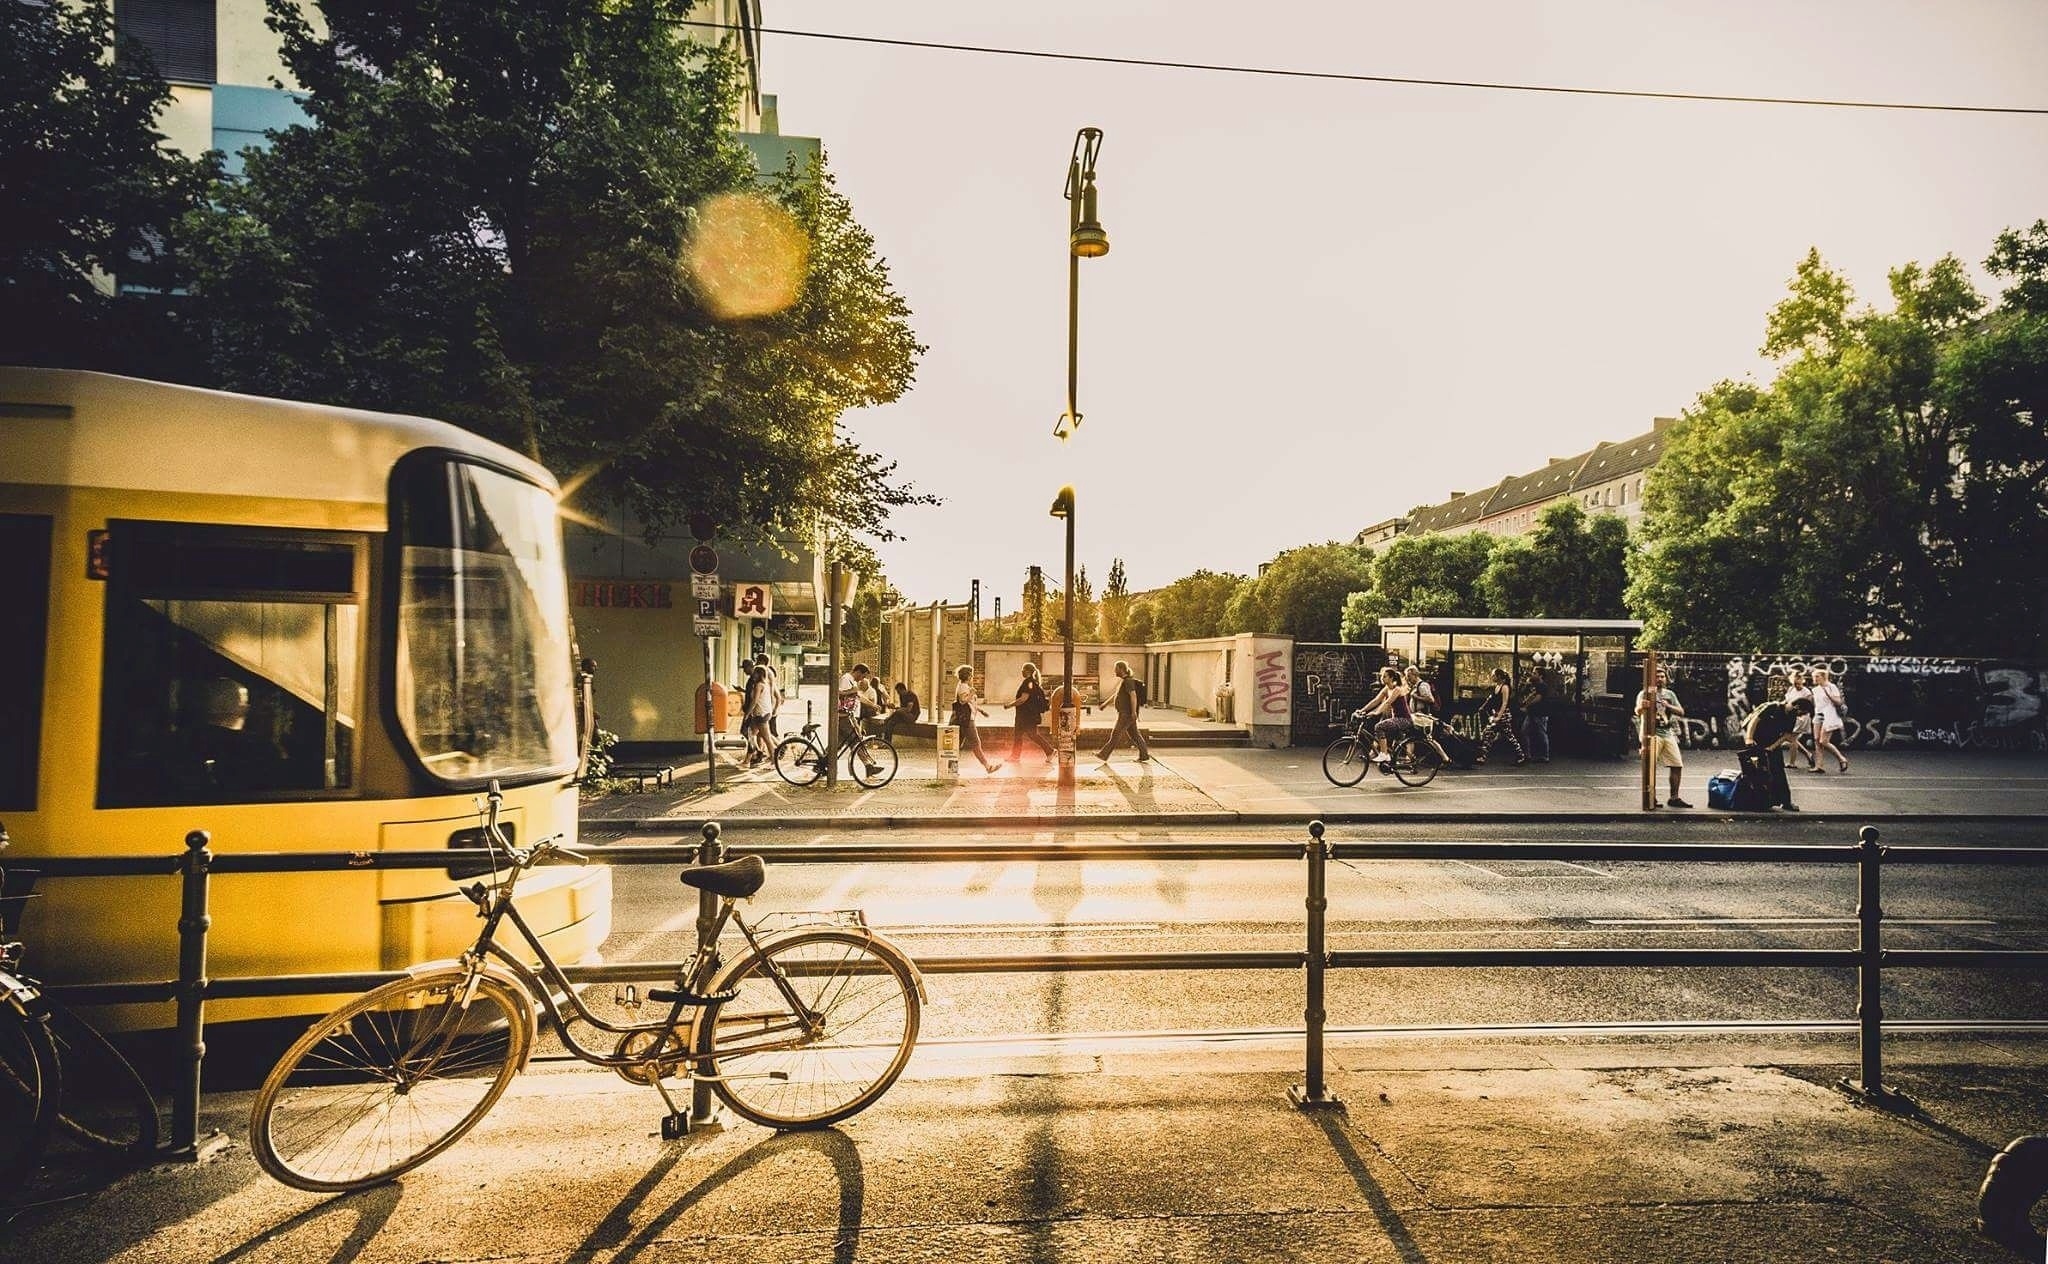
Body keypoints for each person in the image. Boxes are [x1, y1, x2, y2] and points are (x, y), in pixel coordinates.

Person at [1741, 694, 1812, 811]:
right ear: (1797, 707)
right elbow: (1754, 721)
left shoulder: (1792, 716)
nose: (1801, 716)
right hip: (1756, 739)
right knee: (1756, 770)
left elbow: (1786, 735)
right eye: (1802, 712)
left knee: (1778, 770)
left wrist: (1772, 747)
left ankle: (1785, 802)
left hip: (1772, 741)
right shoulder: (1773, 707)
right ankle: (1758, 801)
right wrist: (1749, 738)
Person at [1636, 666, 1691, 808]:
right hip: (1651, 733)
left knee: (1677, 764)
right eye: (1657, 677)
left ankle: (1674, 797)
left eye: (1662, 677)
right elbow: (1637, 711)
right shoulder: (1645, 693)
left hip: (1667, 733)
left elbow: (1681, 711)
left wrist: (1668, 705)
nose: (1660, 679)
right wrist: (1643, 707)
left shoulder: (1670, 694)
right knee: (1650, 766)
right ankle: (1650, 797)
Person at [1096, 659, 1152, 763]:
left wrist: (1134, 712)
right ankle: (1144, 755)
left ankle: (1103, 755)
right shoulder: (1124, 681)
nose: (1114, 671)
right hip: (1125, 713)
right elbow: (1116, 695)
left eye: (1116, 669)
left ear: (1121, 669)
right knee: (1135, 735)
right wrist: (1104, 704)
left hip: (1126, 714)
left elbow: (1133, 696)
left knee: (1116, 734)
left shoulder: (1128, 681)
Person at [951, 664, 1002, 773]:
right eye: (971, 675)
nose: (972, 677)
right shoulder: (963, 687)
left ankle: (951, 769)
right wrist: (972, 693)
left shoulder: (962, 686)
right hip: (967, 720)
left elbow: (969, 703)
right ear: (968, 676)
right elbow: (963, 701)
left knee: (957, 745)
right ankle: (988, 767)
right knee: (975, 743)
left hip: (965, 719)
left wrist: (980, 710)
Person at [836, 663, 883, 776]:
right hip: (844, 717)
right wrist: (853, 690)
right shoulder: (846, 679)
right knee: (856, 740)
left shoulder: (853, 681)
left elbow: (859, 696)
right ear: (858, 672)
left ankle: (823, 762)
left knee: (838, 743)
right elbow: (839, 693)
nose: (862, 679)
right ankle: (868, 766)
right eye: (863, 676)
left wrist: (873, 705)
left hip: (848, 716)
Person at [1475, 668, 1528, 767]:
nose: (1492, 677)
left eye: (1493, 675)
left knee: (1508, 736)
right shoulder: (1497, 687)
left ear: (1499, 676)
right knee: (1490, 734)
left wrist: (1499, 716)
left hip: (1503, 715)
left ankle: (1521, 755)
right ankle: (1483, 756)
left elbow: (1504, 703)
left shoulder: (1505, 687)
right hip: (1498, 714)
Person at [1359, 666, 1411, 762]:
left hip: (1404, 719)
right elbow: (1376, 701)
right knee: (1386, 736)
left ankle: (1384, 754)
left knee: (1379, 727)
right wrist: (1362, 710)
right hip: (1396, 719)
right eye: (1382, 676)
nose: (1382, 678)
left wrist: (1376, 713)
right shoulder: (1386, 688)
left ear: (1391, 678)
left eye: (1384, 676)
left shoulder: (1397, 689)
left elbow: (1387, 702)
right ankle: (1389, 759)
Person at [1005, 663, 1056, 761]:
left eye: (1023, 669)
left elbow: (1023, 699)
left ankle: (1016, 756)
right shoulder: (1033, 682)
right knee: (1026, 735)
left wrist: (1009, 705)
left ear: (1027, 671)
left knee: (1024, 735)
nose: (1022, 671)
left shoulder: (1028, 683)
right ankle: (1049, 751)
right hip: (1029, 715)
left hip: (1025, 715)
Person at [1810, 667, 1850, 774]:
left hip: (1829, 715)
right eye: (1814, 676)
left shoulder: (1832, 687)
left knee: (1824, 741)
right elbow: (1816, 704)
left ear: (1823, 677)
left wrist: (1829, 695)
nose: (1814, 678)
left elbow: (1838, 702)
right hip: (1818, 715)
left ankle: (1841, 758)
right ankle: (1819, 766)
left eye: (1817, 676)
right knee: (1817, 740)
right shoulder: (1815, 689)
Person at [1782, 669, 1818, 771]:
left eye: (1798, 683)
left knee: (1792, 738)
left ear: (1802, 681)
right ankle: (1808, 754)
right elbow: (1787, 702)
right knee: (1790, 738)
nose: (1797, 685)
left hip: (1801, 717)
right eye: (1794, 683)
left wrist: (1800, 713)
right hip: (1791, 717)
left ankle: (1792, 763)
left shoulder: (1807, 692)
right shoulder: (1791, 689)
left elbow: (1810, 707)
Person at [743, 665, 776, 766]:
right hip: (763, 713)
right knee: (750, 735)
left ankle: (774, 761)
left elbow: (754, 701)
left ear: (759, 674)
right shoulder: (765, 684)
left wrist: (747, 714)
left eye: (755, 673)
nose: (753, 675)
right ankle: (748, 760)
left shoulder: (759, 685)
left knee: (767, 739)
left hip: (761, 714)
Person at [1518, 671, 1552, 763]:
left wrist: (1526, 706)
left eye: (1535, 673)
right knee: (1524, 732)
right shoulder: (1534, 685)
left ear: (1540, 675)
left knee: (1541, 733)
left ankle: (1545, 756)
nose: (1532, 674)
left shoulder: (1542, 686)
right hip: (1532, 713)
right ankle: (1527, 755)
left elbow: (1537, 698)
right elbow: (1528, 695)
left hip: (1540, 713)